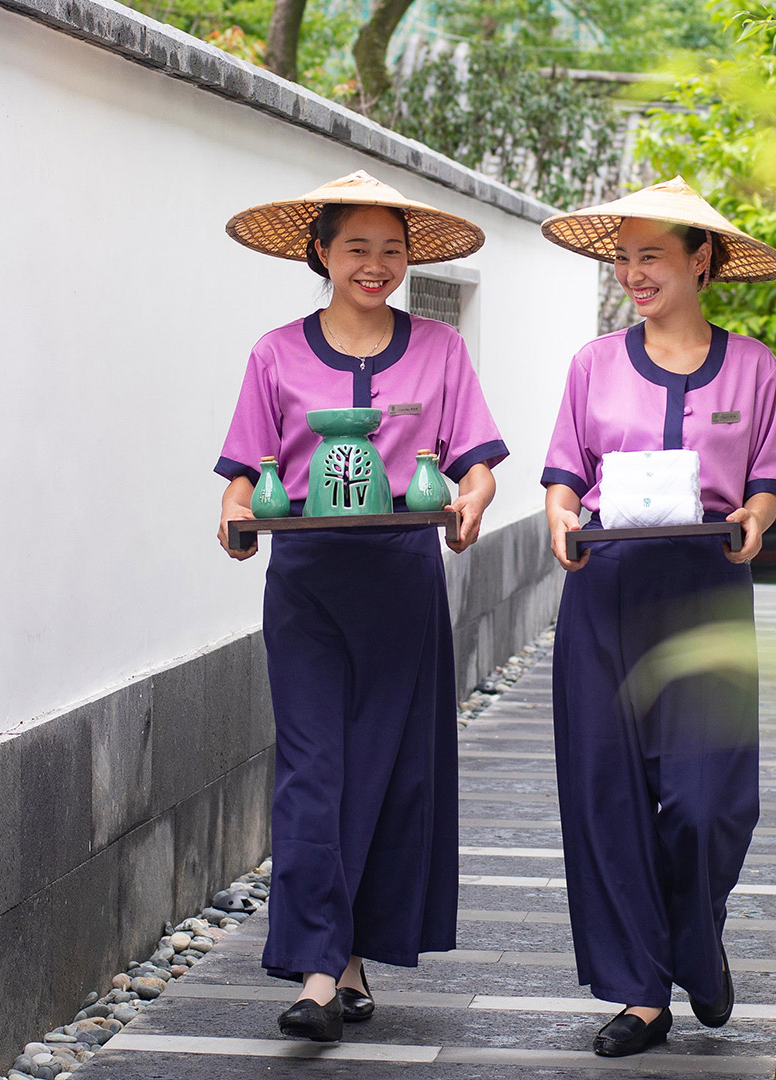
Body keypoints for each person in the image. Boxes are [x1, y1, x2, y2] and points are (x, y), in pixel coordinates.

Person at [213, 170, 508, 1043]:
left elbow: (478, 460)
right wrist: (232, 517)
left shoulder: (439, 350)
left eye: (391, 251)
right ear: (320, 254)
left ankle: (347, 959)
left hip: (400, 580)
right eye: (356, 250)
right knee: (313, 774)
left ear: (408, 259)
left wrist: (471, 504)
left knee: (386, 772)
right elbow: (242, 470)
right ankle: (314, 973)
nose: (374, 266)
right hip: (306, 581)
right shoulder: (275, 352)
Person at [537, 177, 776, 1057]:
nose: (633, 273)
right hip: (606, 591)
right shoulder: (593, 364)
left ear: (701, 260)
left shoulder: (754, 365)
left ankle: (695, 937)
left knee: (707, 799)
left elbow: (763, 479)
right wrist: (561, 519)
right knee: (606, 795)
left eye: (652, 256)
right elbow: (565, 472)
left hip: (707, 589)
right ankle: (642, 992)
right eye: (624, 256)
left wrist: (755, 521)